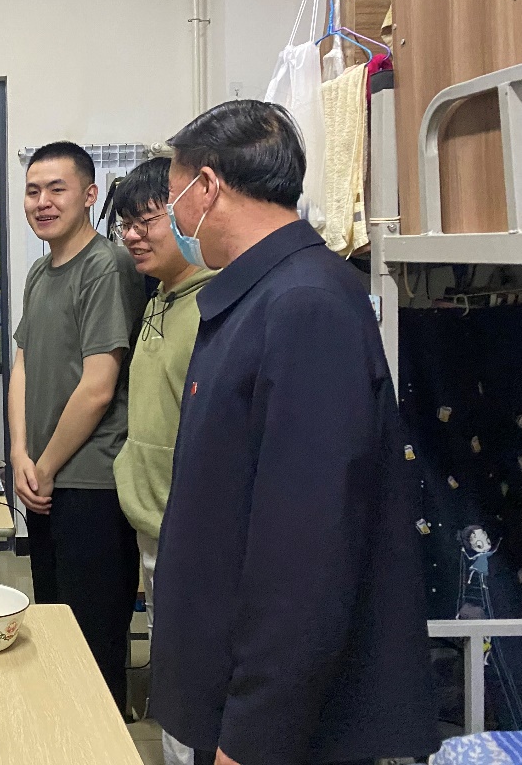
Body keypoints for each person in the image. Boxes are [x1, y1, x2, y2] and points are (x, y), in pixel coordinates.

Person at [150, 100, 437, 765]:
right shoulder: (262, 294)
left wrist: (252, 734)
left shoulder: (306, 305)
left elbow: (306, 554)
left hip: (283, 729)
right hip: (238, 694)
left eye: (173, 197)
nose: (173, 218)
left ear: (207, 187)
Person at [9, 140, 146, 714]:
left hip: (91, 482)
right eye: (33, 191)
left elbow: (99, 386)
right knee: (54, 629)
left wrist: (43, 466)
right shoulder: (40, 271)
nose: (42, 202)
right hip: (45, 478)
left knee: (93, 640)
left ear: (89, 195)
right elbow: (22, 363)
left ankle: (103, 740)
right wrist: (19, 453)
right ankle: (64, 738)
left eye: (56, 189)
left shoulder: (106, 266)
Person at [111, 155, 214, 765]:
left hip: (191, 529)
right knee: (173, 668)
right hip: (152, 520)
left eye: (145, 221)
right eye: (125, 224)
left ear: (185, 212)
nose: (132, 236)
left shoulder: (213, 306)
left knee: (192, 685)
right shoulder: (160, 298)